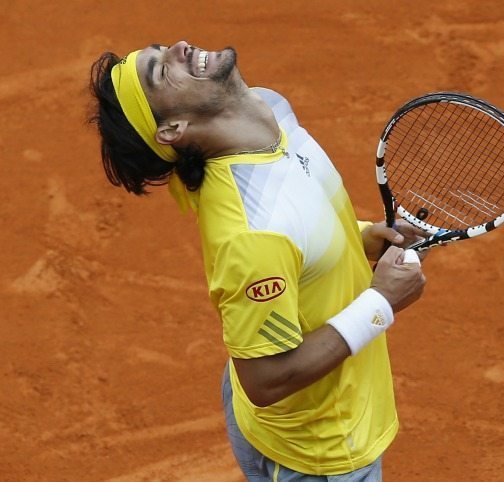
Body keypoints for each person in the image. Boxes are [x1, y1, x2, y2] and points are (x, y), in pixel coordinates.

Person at [89, 40, 427, 481]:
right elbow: (267, 379)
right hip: (318, 447)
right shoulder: (252, 236)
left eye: (161, 50)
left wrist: (362, 237)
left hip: (306, 417)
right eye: (161, 71)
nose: (179, 47)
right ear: (173, 128)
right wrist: (382, 303)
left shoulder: (266, 111)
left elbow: (300, 224)